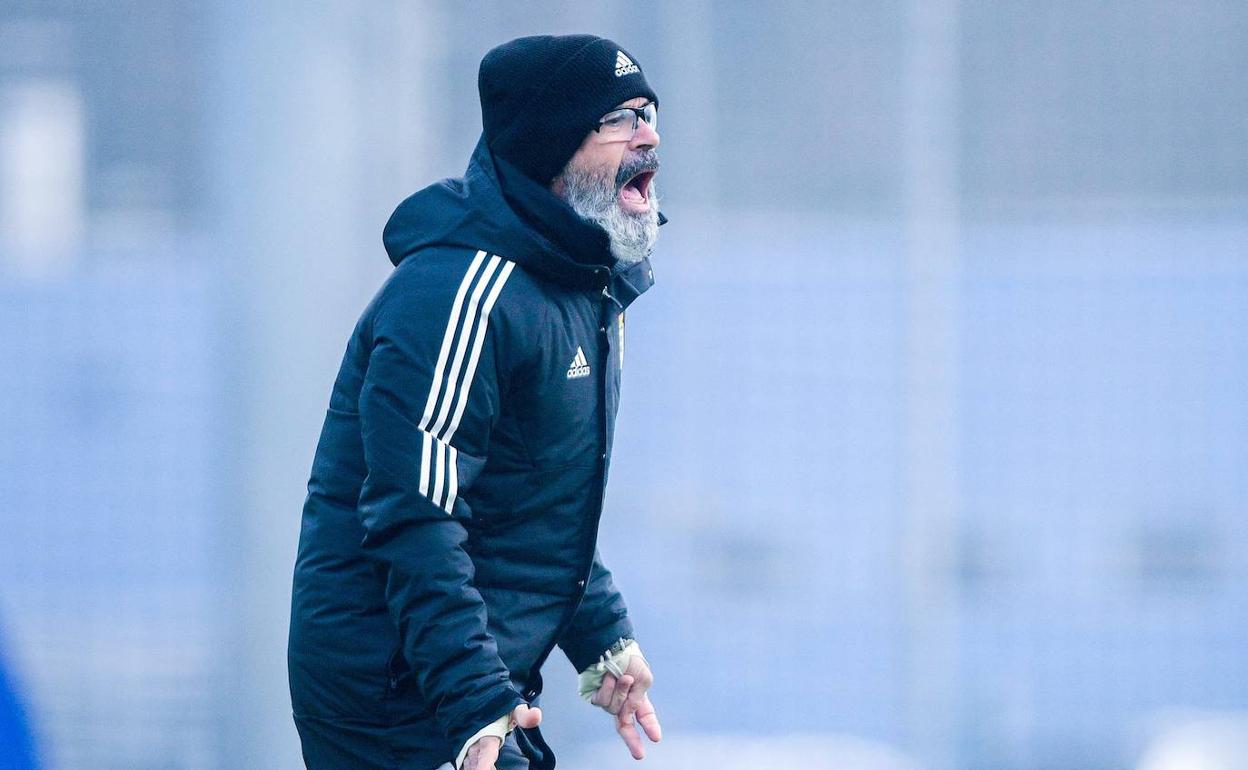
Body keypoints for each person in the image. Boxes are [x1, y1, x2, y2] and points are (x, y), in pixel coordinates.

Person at [288, 34, 665, 770]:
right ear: (552, 146)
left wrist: (603, 640)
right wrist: (472, 701)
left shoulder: (580, 287)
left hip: (471, 686)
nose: (648, 135)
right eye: (619, 118)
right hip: (394, 700)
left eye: (649, 112)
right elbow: (415, 516)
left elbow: (534, 506)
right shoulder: (458, 294)